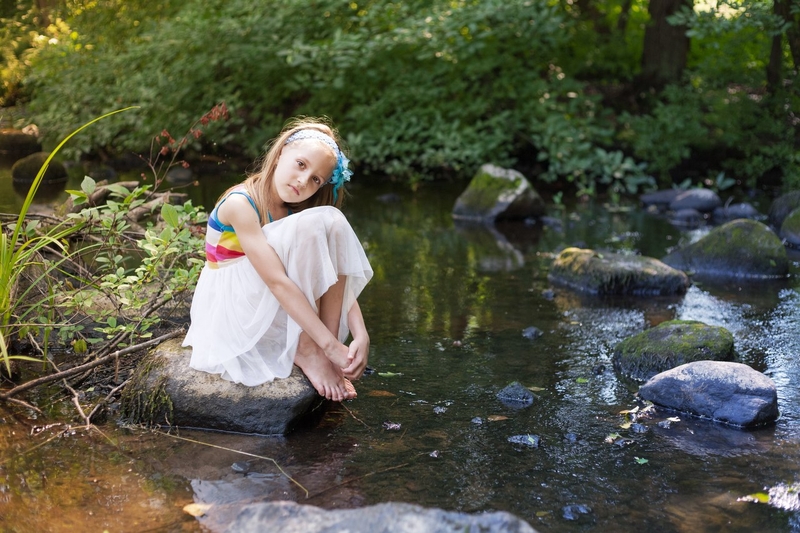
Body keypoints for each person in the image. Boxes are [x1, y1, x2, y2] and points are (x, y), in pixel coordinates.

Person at [183, 118, 373, 402]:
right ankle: (310, 349)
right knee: (321, 223)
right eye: (301, 164)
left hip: (267, 299)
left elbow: (331, 271)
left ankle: (324, 348)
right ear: (281, 152)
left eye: (316, 179)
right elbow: (277, 282)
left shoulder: (292, 209)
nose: (303, 181)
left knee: (331, 223)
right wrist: (331, 347)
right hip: (236, 307)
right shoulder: (241, 203)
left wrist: (361, 334)